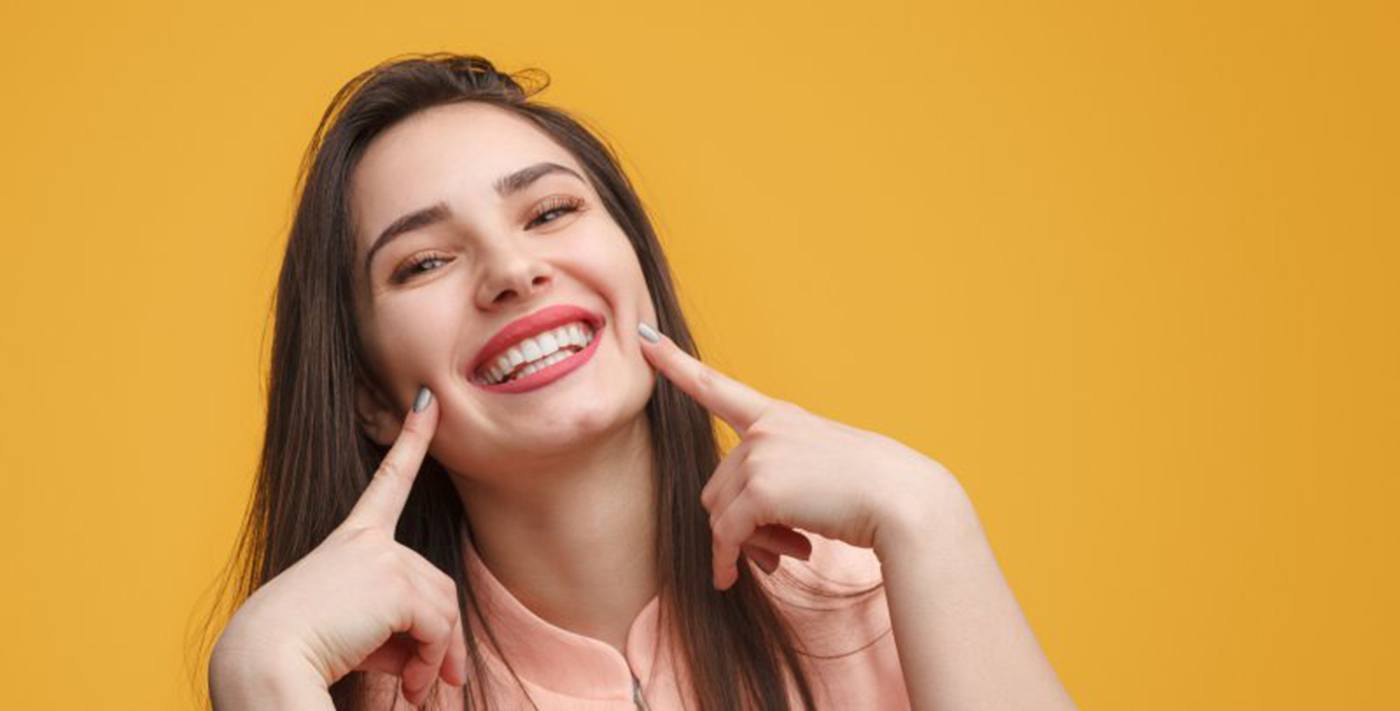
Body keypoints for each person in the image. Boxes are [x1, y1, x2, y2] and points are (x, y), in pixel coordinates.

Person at [203, 52, 1076, 710]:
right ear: (370, 395)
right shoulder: (345, 688)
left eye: (550, 211)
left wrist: (931, 512)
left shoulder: (883, 589)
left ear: (638, 273)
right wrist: (261, 677)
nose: (512, 268)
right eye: (424, 261)